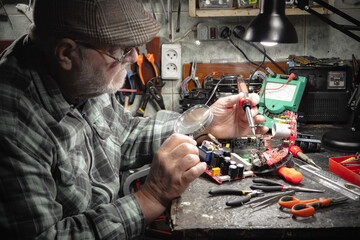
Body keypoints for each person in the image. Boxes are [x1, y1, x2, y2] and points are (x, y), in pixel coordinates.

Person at [0, 0, 268, 239]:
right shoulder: (13, 125)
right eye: (122, 49)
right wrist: (151, 198)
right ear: (66, 53)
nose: (135, 57)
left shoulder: (83, 77)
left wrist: (206, 123)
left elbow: (124, 134)